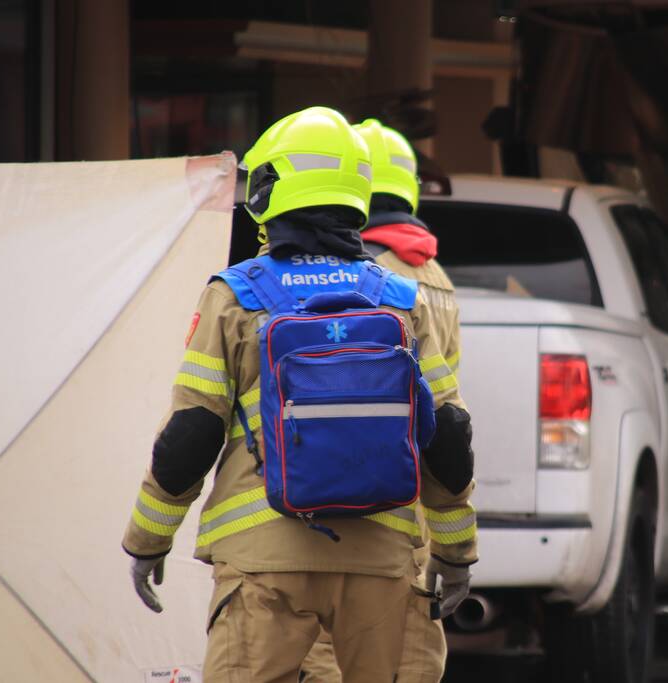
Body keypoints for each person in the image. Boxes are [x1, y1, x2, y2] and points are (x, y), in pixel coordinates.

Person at [121, 106, 477, 683]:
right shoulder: (401, 299)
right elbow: (448, 435)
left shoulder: (236, 296)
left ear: (268, 190)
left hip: (263, 564)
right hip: (380, 562)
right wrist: (456, 551)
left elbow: (192, 433)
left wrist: (148, 539)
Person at [298, 119, 465, 683]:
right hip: (412, 504)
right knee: (412, 659)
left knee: (331, 659)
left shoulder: (366, 276)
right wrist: (456, 539)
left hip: (348, 500)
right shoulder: (433, 275)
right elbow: (448, 419)